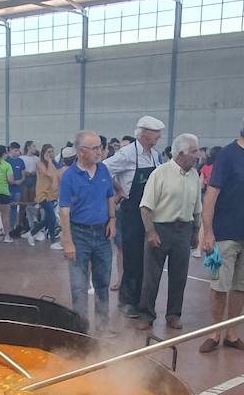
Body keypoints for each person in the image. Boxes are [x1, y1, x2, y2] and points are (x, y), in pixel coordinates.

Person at [199, 109, 244, 353]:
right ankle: (215, 332)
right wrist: (208, 232)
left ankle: (232, 332)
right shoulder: (228, 155)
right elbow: (211, 196)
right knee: (220, 284)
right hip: (225, 234)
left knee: (242, 285)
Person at [135, 133, 202, 331]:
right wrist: (151, 232)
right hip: (161, 229)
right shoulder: (160, 173)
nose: (198, 155)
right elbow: (145, 207)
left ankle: (174, 315)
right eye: (194, 151)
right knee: (151, 276)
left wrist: (196, 232)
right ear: (181, 153)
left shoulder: (195, 175)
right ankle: (146, 315)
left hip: (184, 229)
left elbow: (197, 207)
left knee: (179, 276)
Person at [103, 115, 165, 317]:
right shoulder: (127, 154)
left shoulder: (155, 155)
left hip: (150, 212)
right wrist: (119, 190)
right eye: (156, 133)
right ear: (145, 134)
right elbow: (104, 168)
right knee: (132, 259)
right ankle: (126, 303)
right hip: (131, 213)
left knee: (147, 259)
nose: (159, 136)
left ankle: (141, 301)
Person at [59, 129, 118, 335]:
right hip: (79, 234)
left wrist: (112, 219)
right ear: (81, 151)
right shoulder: (69, 177)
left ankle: (103, 326)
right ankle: (81, 330)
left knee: (102, 282)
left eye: (100, 148)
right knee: (79, 286)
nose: (99, 152)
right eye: (94, 149)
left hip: (102, 234)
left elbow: (110, 196)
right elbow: (64, 211)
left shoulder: (103, 171)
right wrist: (68, 242)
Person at [33, 144, 64, 249]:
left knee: (49, 218)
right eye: (48, 152)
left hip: (52, 193)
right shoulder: (40, 163)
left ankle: (31, 232)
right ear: (44, 153)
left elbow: (58, 176)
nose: (51, 154)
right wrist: (50, 161)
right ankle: (53, 241)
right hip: (42, 193)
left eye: (52, 152)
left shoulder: (56, 163)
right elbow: (50, 174)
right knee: (51, 214)